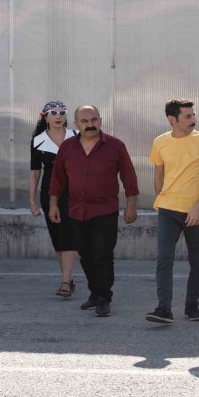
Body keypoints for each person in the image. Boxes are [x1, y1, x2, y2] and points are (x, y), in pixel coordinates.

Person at [49, 105, 139, 318]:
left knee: (102, 254)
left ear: (100, 120)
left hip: (105, 210)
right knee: (85, 254)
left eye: (94, 120)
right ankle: (95, 293)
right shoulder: (68, 147)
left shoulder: (115, 146)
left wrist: (131, 206)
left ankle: (104, 298)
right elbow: (58, 178)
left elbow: (129, 177)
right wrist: (53, 204)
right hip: (77, 210)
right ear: (76, 124)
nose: (90, 125)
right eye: (85, 121)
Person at [145, 99, 199, 324]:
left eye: (193, 115)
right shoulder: (160, 142)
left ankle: (192, 306)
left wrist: (198, 207)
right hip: (168, 209)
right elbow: (158, 174)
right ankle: (164, 308)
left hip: (197, 212)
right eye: (188, 116)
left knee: (197, 262)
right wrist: (162, 198)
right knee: (164, 259)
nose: (194, 120)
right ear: (172, 119)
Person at [29, 101, 79, 298]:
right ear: (46, 117)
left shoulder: (76, 136)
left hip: (74, 191)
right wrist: (32, 201)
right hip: (49, 192)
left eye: (62, 112)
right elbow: (35, 172)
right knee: (57, 236)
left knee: (69, 233)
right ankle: (68, 278)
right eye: (53, 112)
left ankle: (66, 281)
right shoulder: (38, 140)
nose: (58, 116)